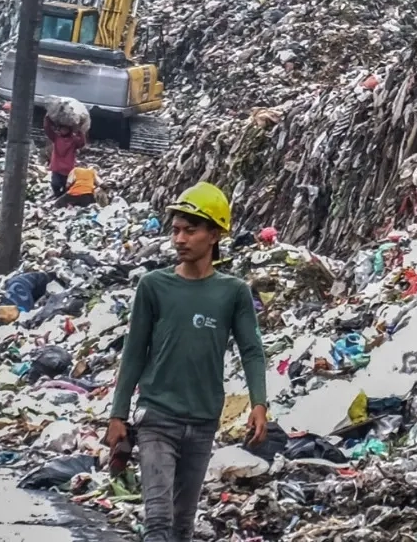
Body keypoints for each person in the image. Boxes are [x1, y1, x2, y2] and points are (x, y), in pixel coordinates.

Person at [106, 183, 269, 542]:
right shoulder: (153, 286)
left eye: (190, 230)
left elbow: (252, 350)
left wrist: (259, 403)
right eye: (176, 230)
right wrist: (118, 414)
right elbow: (134, 352)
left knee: (182, 528)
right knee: (159, 522)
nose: (179, 239)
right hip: (156, 417)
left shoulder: (233, 292)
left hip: (202, 420)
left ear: (214, 234)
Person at [43, 98, 90, 202]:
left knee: (66, 186)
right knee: (55, 184)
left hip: (68, 170)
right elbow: (47, 129)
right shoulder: (56, 138)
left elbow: (82, 143)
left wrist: (79, 131)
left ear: (69, 130)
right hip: (56, 167)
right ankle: (58, 196)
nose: (63, 130)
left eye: (65, 129)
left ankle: (62, 199)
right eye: (61, 129)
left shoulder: (73, 141)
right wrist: (47, 118)